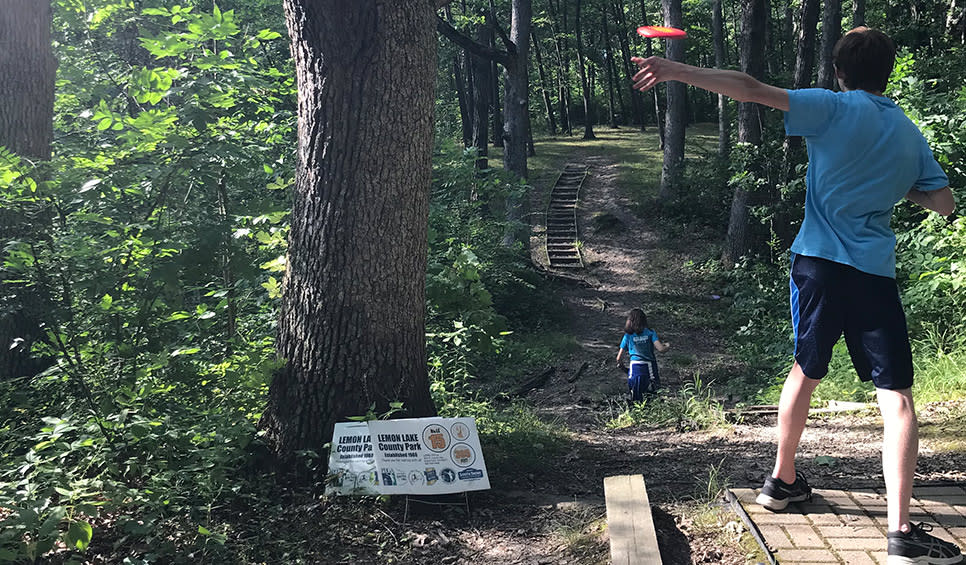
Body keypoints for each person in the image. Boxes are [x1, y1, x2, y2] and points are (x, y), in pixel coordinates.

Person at [631, 27, 960, 565]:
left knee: (804, 371)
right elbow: (943, 202)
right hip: (873, 273)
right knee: (896, 397)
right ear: (888, 71)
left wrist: (678, 71)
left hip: (818, 265)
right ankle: (901, 535)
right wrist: (895, 183)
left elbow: (751, 87)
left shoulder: (831, 108)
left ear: (839, 72)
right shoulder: (906, 129)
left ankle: (781, 482)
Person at [616, 308, 670, 401]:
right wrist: (667, 346)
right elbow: (661, 349)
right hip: (649, 368)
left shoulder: (628, 335)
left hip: (634, 368)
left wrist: (622, 367)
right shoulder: (650, 332)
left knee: (635, 396)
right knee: (653, 393)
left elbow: (618, 358)